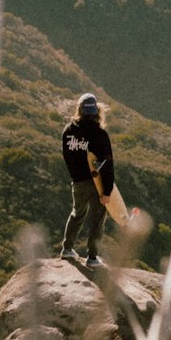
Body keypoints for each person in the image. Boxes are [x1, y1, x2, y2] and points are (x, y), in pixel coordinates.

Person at [60, 92, 114, 267]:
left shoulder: (68, 131)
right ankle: (92, 258)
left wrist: (75, 176)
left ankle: (67, 249)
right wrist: (107, 192)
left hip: (77, 181)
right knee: (97, 218)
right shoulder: (99, 134)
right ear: (96, 111)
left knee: (77, 213)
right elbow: (106, 165)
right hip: (95, 182)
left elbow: (67, 157)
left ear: (79, 110)